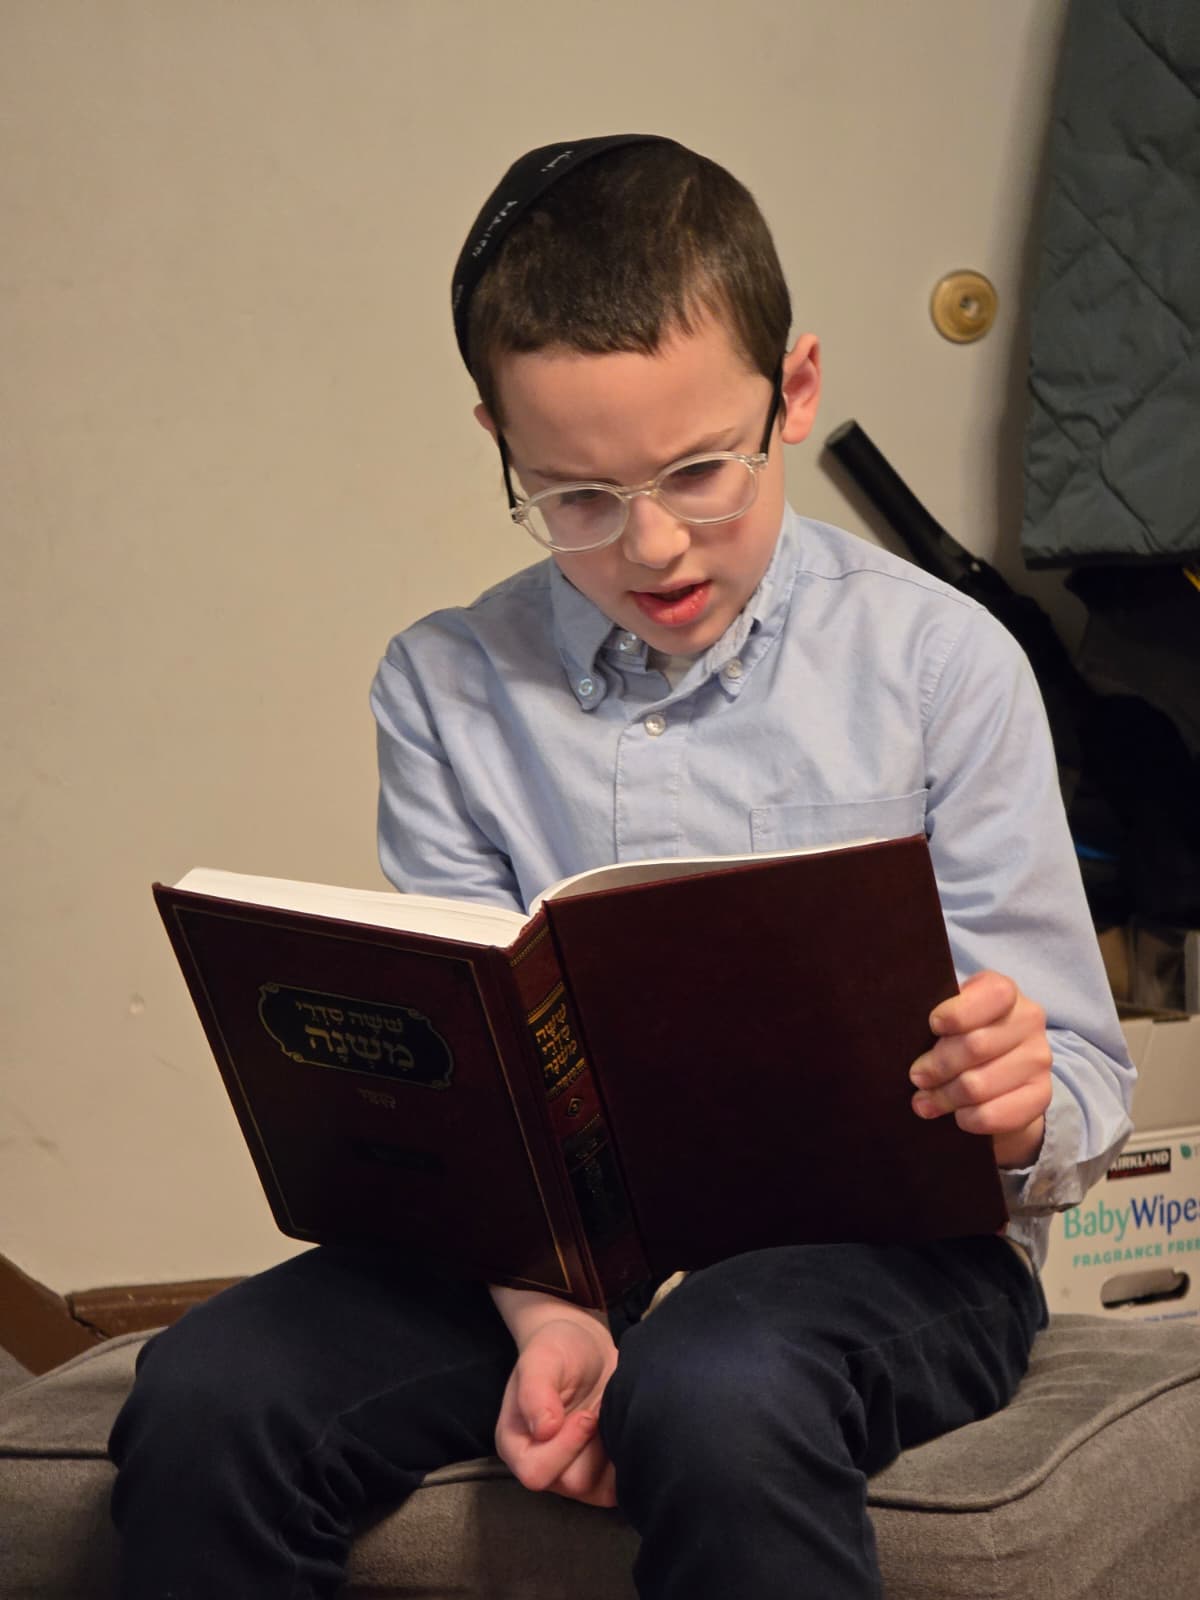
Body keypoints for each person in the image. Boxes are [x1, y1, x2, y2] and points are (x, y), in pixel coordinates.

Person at [109, 135, 1135, 1600]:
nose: (653, 546)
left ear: (793, 392)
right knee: (213, 1393)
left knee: (714, 1381)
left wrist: (1020, 1097)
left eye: (702, 471)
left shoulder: (940, 665)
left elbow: (1080, 1075)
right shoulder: (446, 687)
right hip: (559, 1258)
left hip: (893, 1254)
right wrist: (550, 1318)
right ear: (500, 444)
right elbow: (477, 1109)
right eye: (575, 497)